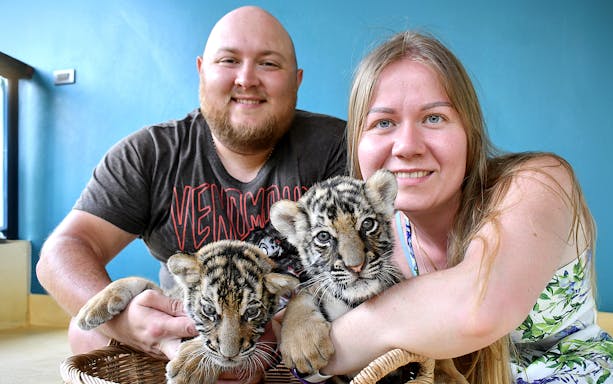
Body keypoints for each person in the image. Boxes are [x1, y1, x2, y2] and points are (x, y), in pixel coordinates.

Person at [36, 5, 346, 383]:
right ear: (202, 70)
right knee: (84, 330)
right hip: (187, 338)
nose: (246, 79)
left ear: (296, 80)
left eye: (268, 64)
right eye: (229, 60)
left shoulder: (336, 145)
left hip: (304, 332)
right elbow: (61, 250)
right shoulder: (150, 153)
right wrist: (129, 324)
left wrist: (283, 323)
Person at [315, 31, 613, 383]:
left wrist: (324, 345)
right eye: (383, 123)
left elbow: (477, 310)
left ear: (469, 132)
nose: (407, 146)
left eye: (434, 118)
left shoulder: (539, 182)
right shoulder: (381, 244)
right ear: (357, 145)